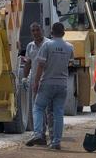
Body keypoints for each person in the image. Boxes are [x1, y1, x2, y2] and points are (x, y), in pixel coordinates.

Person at [27, 22, 75, 150]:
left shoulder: (47, 45)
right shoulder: (70, 47)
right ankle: (56, 141)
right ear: (64, 33)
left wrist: (36, 82)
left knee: (38, 108)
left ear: (51, 33)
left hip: (47, 83)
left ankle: (38, 133)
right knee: (58, 112)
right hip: (62, 84)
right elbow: (70, 65)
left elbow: (40, 66)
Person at [21, 23, 45, 137]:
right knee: (36, 107)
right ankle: (39, 132)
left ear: (42, 30)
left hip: (46, 80)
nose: (35, 32)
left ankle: (48, 132)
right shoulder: (30, 46)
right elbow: (28, 63)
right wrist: (25, 78)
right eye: (33, 31)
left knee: (46, 109)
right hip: (34, 81)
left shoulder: (47, 44)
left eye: (37, 30)